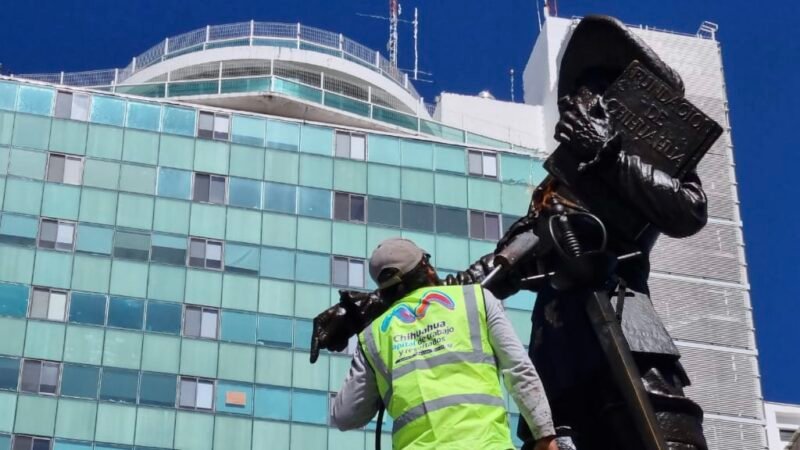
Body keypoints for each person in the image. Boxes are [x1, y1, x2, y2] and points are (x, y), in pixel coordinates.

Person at [330, 238, 558, 450]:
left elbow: (345, 416)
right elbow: (518, 369)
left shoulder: (373, 336)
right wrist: (545, 435)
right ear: (426, 267)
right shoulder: (475, 299)